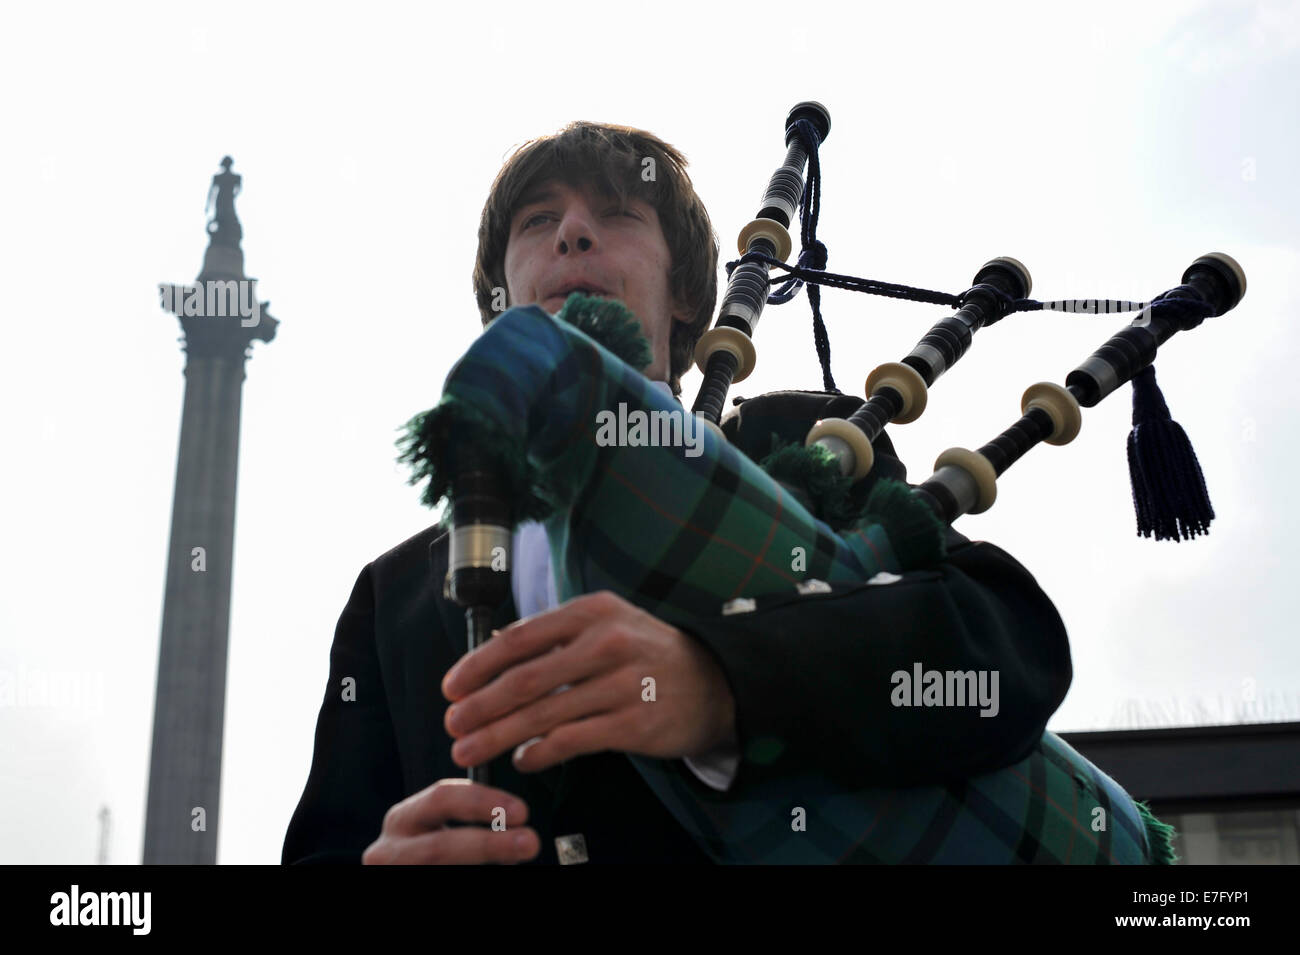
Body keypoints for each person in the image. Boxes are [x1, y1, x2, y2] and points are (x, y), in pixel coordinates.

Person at [281, 122, 1072, 865]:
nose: (572, 233)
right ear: (501, 291)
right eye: (537, 220)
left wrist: (718, 684)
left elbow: (1009, 648)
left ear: (687, 295)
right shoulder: (394, 596)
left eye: (617, 213)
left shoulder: (802, 442)